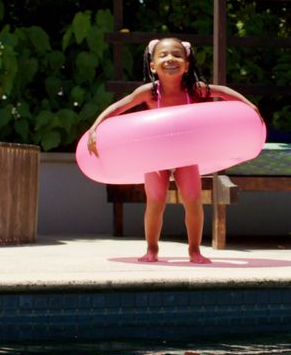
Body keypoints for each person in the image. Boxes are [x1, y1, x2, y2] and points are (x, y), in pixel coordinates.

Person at [86, 37, 260, 264]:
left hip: (186, 154)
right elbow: (118, 107)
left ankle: (195, 250)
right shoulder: (149, 92)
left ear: (187, 64)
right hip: (155, 156)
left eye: (177, 55)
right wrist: (95, 127)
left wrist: (250, 106)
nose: (170, 59)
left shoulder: (194, 90)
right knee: (156, 201)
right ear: (152, 65)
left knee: (193, 200)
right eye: (163, 55)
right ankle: (152, 248)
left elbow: (224, 91)